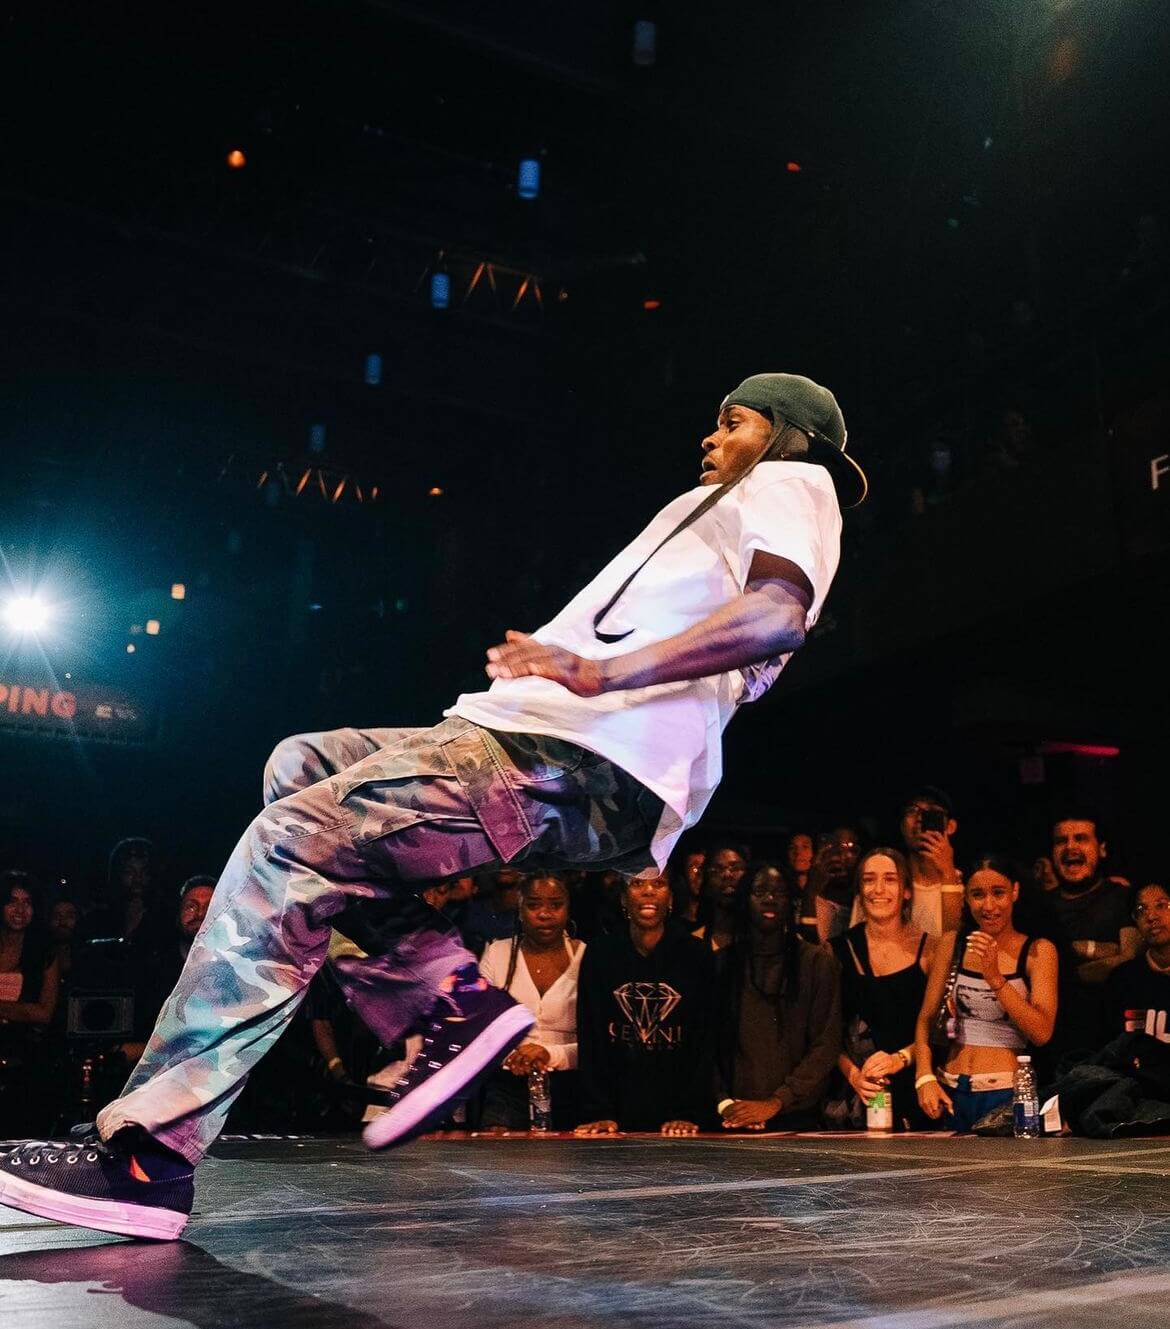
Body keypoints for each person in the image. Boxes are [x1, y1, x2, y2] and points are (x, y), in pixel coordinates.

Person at [0, 370, 860, 1239]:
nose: (709, 438)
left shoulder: (795, 480)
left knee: (287, 841)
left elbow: (776, 613)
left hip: (569, 755)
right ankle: (448, 998)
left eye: (733, 422)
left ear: (785, 436)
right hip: (531, 737)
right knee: (299, 766)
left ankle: (152, 1155)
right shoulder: (715, 512)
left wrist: (604, 673)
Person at [914, 854, 1058, 1132]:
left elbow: (1041, 1032)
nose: (989, 905)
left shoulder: (1038, 951)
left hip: (1005, 1094)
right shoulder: (952, 943)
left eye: (998, 893)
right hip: (952, 1089)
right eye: (978, 894)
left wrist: (995, 978)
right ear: (967, 897)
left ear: (1015, 892)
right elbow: (925, 1019)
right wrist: (924, 1077)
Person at [575, 874, 715, 1135]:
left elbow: (704, 1041)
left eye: (659, 884)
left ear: (671, 898)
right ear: (623, 899)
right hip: (615, 1112)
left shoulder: (696, 955)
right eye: (637, 883)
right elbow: (591, 1037)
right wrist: (600, 1111)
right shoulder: (600, 953)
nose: (648, 891)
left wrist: (688, 1113)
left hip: (680, 1117)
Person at [716, 863, 842, 1131]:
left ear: (792, 902)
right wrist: (723, 1101)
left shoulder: (816, 962)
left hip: (798, 1118)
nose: (770, 899)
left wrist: (776, 1102)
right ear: (745, 900)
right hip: (731, 1115)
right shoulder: (723, 964)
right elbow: (705, 1044)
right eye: (759, 891)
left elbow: (826, 1043)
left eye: (780, 893)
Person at [1048, 882, 1170, 1136]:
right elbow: (1108, 1051)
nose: (1152, 916)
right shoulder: (1123, 980)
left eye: (1162, 905)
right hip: (1133, 1102)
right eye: (1141, 909)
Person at [829, 849, 935, 1129]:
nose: (878, 890)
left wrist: (900, 1059)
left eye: (889, 879)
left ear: (907, 891)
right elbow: (824, 1032)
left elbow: (940, 1026)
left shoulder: (930, 949)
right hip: (856, 1094)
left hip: (917, 1090)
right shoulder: (836, 950)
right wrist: (854, 1076)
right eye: (868, 880)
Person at [479, 874, 584, 1130]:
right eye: (534, 905)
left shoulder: (586, 957)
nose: (545, 914)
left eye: (555, 905)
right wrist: (513, 1055)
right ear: (520, 907)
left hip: (571, 1084)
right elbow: (478, 1030)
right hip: (507, 1084)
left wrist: (551, 1054)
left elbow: (598, 1041)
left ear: (568, 908)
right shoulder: (496, 953)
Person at [1044, 810, 1139, 1068]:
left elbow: (1128, 958)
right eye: (1061, 841)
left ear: (1103, 849)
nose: (1070, 847)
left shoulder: (1122, 897)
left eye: (1081, 838)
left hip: (1111, 1046)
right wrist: (1107, 951)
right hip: (1055, 1049)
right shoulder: (1040, 907)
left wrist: (1072, 952)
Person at [0, 871, 61, 1135]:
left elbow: (44, 1012)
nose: (20, 910)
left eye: (27, 903)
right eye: (13, 901)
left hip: (27, 1057)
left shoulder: (45, 951)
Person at [897, 787, 964, 937]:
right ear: (902, 826)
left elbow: (955, 940)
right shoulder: (885, 882)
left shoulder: (969, 885)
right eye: (912, 811)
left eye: (932, 812)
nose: (920, 818)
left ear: (951, 826)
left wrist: (948, 871)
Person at [693, 841, 750, 951]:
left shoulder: (762, 942)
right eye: (718, 870)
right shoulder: (693, 942)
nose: (727, 875)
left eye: (735, 868)